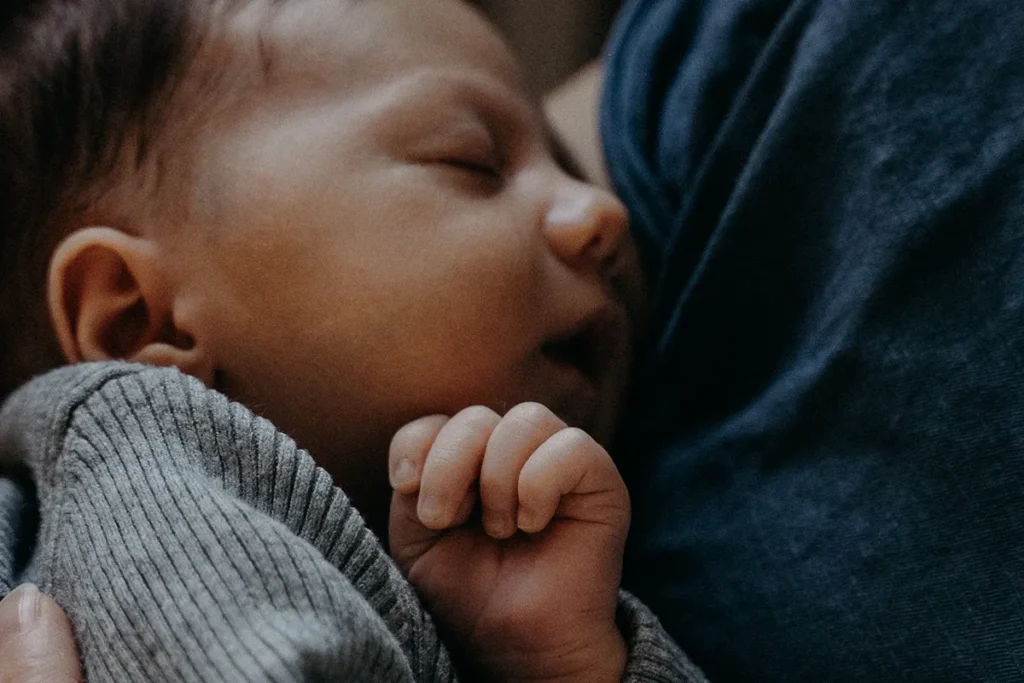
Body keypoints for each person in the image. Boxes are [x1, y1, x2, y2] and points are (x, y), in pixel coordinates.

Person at [0, 0, 706, 681]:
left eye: (572, 166)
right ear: (139, 322)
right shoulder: (151, 468)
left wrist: (562, 662)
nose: (603, 212)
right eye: (473, 161)